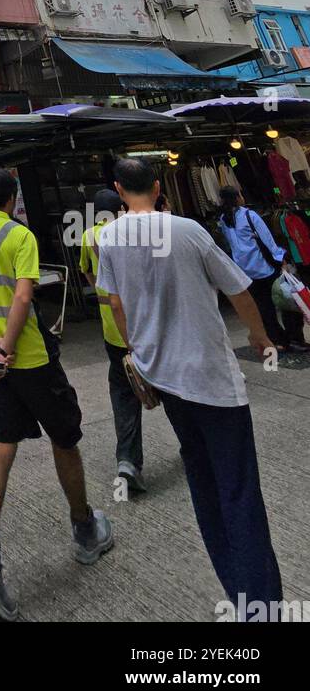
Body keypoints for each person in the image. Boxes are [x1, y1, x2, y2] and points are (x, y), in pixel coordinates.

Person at [97, 156, 283, 621]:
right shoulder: (188, 231)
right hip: (211, 380)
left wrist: (138, 349)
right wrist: (260, 336)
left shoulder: (110, 237)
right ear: (159, 187)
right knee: (238, 488)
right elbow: (237, 288)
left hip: (165, 378)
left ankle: (239, 593)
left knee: (203, 481)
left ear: (119, 189)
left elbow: (115, 303)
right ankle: (259, 605)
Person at [0, 167, 113, 622]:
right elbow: (24, 297)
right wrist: (9, 339)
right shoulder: (19, 236)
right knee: (65, 437)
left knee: (2, 440)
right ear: (12, 197)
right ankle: (85, 529)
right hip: (31, 359)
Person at [79, 188, 146, 493]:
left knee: (123, 392)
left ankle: (128, 460)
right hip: (144, 321)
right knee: (170, 388)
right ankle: (196, 445)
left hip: (112, 327)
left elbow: (87, 273)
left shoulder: (88, 237)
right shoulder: (134, 230)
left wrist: (101, 292)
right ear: (119, 207)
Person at [218, 187, 309, 353]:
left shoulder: (224, 219)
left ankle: (277, 340)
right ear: (237, 197)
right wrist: (280, 259)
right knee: (288, 300)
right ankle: (295, 338)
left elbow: (230, 244)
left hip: (246, 271)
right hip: (265, 267)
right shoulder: (249, 215)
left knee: (264, 307)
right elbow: (267, 240)